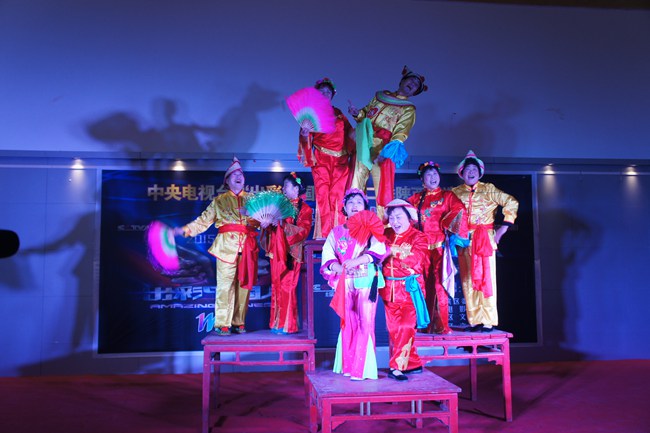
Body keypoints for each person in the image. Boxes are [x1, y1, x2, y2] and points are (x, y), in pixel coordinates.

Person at [175, 157, 259, 336]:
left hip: (248, 247)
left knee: (244, 286)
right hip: (225, 249)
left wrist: (254, 215)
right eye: (234, 175)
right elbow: (202, 222)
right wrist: (184, 230)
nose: (239, 177)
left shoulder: (253, 200)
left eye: (241, 174)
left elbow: (262, 221)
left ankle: (239, 322)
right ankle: (222, 323)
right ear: (227, 181)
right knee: (224, 287)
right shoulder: (219, 201)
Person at [320, 189, 387, 380]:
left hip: (366, 279)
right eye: (350, 202)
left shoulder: (371, 227)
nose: (354, 205)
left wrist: (356, 261)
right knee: (348, 322)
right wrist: (339, 268)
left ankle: (362, 369)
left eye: (359, 202)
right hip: (345, 281)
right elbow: (328, 254)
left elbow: (379, 249)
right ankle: (348, 366)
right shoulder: (336, 232)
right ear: (344, 208)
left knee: (365, 322)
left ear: (365, 206)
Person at [452, 150, 519, 332]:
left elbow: (511, 202)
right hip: (464, 240)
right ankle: (474, 320)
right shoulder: (455, 192)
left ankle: (488, 320)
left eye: (474, 169)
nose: (471, 172)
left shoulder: (489, 189)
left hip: (484, 239)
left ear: (480, 172)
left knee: (486, 278)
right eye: (468, 169)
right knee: (468, 280)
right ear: (461, 173)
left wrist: (502, 229)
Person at [348, 66, 427, 219]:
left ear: (415, 92)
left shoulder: (408, 109)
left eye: (416, 85)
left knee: (382, 187)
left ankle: (383, 226)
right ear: (402, 81)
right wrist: (357, 113)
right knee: (356, 180)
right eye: (411, 80)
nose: (412, 84)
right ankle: (354, 220)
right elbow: (366, 113)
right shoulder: (380, 96)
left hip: (383, 147)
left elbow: (401, 132)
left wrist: (388, 152)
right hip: (365, 141)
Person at [407, 161, 468, 334]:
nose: (432, 177)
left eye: (435, 174)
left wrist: (446, 224)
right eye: (428, 175)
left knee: (440, 285)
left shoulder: (447, 196)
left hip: (440, 248)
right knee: (422, 285)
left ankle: (442, 325)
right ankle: (424, 325)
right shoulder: (416, 199)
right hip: (421, 249)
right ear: (422, 180)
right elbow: (404, 215)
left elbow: (460, 210)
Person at [297, 78, 355, 238]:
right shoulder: (311, 115)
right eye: (321, 92)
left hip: (341, 160)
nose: (325, 94)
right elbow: (305, 139)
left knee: (338, 196)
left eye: (328, 92)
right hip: (322, 159)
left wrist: (359, 119)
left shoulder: (339, 114)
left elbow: (350, 134)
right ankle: (323, 236)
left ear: (332, 95)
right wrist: (305, 134)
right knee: (323, 196)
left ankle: (339, 235)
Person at [381, 199, 430, 381]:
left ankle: (396, 367)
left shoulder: (419, 237)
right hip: (389, 291)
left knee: (406, 326)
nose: (395, 221)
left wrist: (389, 250)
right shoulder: (385, 234)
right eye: (392, 217)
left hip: (410, 290)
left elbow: (415, 260)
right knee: (395, 330)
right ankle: (413, 363)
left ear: (409, 217)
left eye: (399, 217)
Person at [260, 173, 313, 334]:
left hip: (291, 253)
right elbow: (272, 229)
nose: (283, 189)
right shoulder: (278, 206)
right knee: (276, 285)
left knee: (288, 286)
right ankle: (276, 323)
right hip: (276, 251)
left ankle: (288, 324)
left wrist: (281, 223)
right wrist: (267, 225)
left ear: (296, 188)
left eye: (286, 186)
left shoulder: (304, 209)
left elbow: (303, 231)